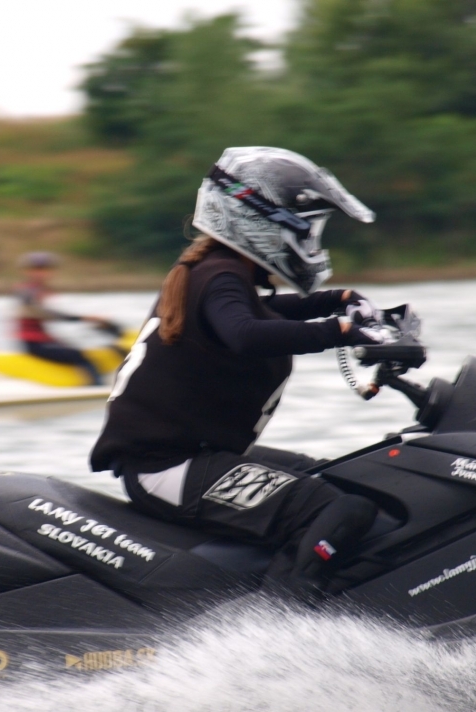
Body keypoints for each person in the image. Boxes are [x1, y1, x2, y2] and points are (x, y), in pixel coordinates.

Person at [90, 146, 386, 590]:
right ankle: (282, 620)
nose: (309, 238)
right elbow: (246, 333)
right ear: (259, 221)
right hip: (168, 467)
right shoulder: (222, 276)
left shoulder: (215, 270)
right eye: (304, 225)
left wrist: (338, 301)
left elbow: (265, 313)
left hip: (186, 459)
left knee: (334, 473)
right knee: (338, 510)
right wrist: (341, 330)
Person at [15, 251, 110, 386]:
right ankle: (97, 388)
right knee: (84, 358)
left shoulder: (40, 290)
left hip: (43, 341)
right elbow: (42, 313)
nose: (41, 273)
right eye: (36, 269)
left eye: (45, 269)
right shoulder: (27, 291)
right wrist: (84, 318)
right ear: (26, 271)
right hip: (35, 344)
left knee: (76, 351)